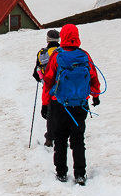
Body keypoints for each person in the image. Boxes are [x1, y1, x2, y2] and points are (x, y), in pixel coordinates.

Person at [40, 24, 101, 185]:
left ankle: (61, 172)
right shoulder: (84, 55)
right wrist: (95, 96)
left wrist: (45, 104)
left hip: (59, 105)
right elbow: (93, 77)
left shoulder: (57, 56)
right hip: (80, 104)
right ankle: (80, 173)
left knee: (60, 138)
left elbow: (48, 81)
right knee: (78, 139)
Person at [32, 29, 61, 147]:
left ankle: (49, 139)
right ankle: (63, 136)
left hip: (49, 87)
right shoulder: (63, 51)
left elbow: (36, 73)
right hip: (65, 87)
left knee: (51, 113)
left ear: (47, 40)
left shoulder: (42, 53)